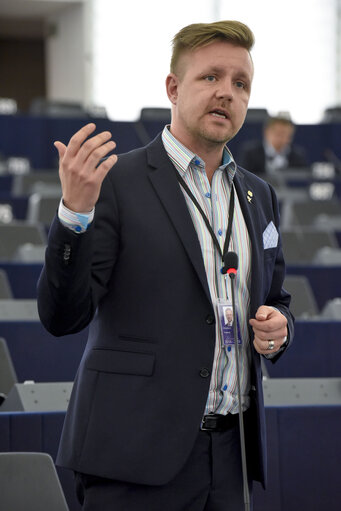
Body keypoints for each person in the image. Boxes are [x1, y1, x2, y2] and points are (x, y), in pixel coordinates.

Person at [37, 20, 294, 511]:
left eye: (240, 84)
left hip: (232, 454)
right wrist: (74, 215)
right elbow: (61, 316)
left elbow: (276, 299)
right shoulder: (116, 181)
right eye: (210, 77)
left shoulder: (259, 195)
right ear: (173, 88)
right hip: (134, 455)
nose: (227, 93)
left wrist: (281, 327)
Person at [238, 115, 308, 178]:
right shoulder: (251, 153)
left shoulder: (297, 156)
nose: (282, 138)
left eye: (286, 135)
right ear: (267, 132)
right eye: (278, 133)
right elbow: (242, 177)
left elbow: (301, 179)